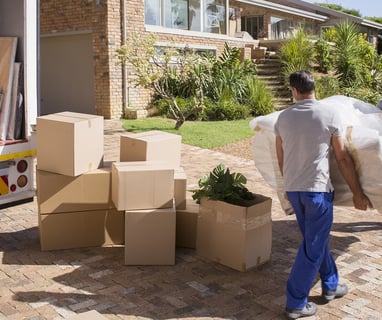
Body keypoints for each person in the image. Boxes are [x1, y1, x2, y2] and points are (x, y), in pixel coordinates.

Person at [274, 70, 372, 319]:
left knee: (315, 240)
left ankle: (330, 285)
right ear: (314, 88)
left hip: (295, 190)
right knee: (313, 246)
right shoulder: (329, 113)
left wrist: (286, 188)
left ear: (294, 91)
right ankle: (296, 301)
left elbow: (281, 157)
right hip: (317, 191)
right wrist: (357, 193)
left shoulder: (283, 118)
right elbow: (342, 157)